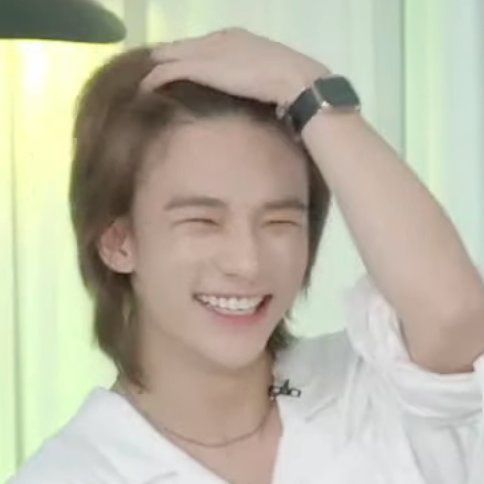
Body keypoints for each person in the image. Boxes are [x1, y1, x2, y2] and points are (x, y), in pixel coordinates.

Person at [9, 28, 484, 484]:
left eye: (279, 222)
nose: (248, 263)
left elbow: (455, 316)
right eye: (203, 221)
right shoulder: (72, 475)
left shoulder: (369, 393)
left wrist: (305, 85)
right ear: (118, 243)